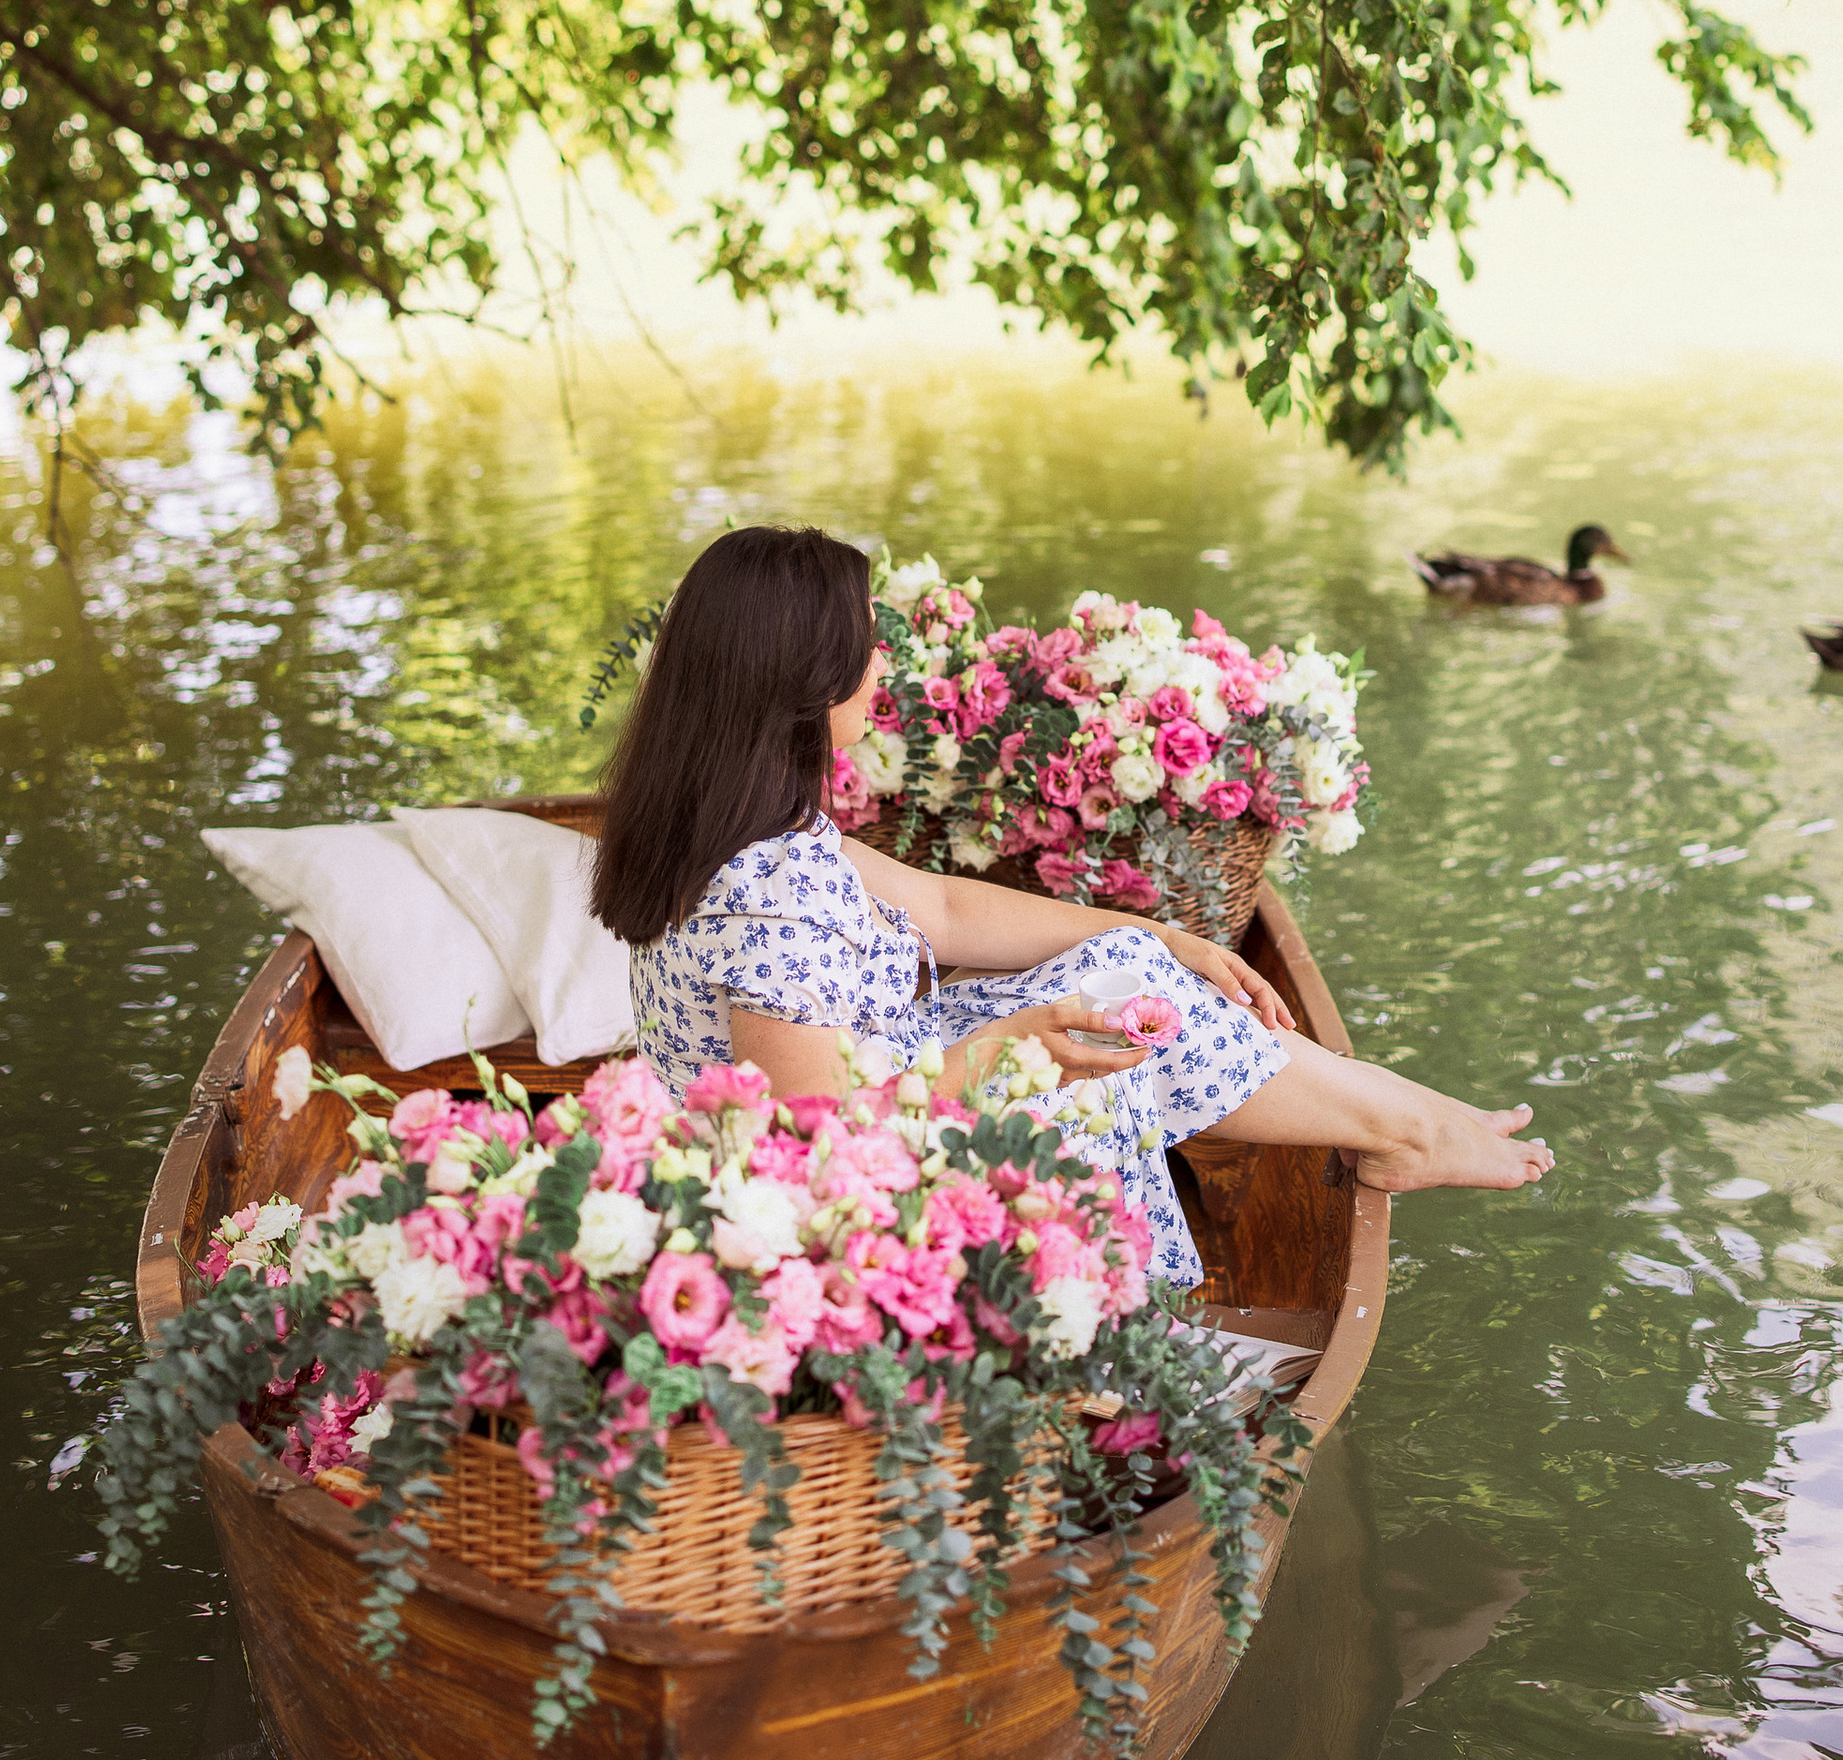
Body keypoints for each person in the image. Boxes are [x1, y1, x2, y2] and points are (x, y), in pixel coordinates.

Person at [592, 526, 1551, 1288]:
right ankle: (1134, 1347)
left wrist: (1159, 934)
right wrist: (1023, 1047)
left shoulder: (749, 826)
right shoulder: (770, 903)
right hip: (842, 1198)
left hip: (888, 1069)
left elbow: (943, 907)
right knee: (1093, 1060)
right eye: (863, 644)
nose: (883, 664)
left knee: (1125, 978)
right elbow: (825, 1142)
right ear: (797, 680)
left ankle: (1409, 1118)